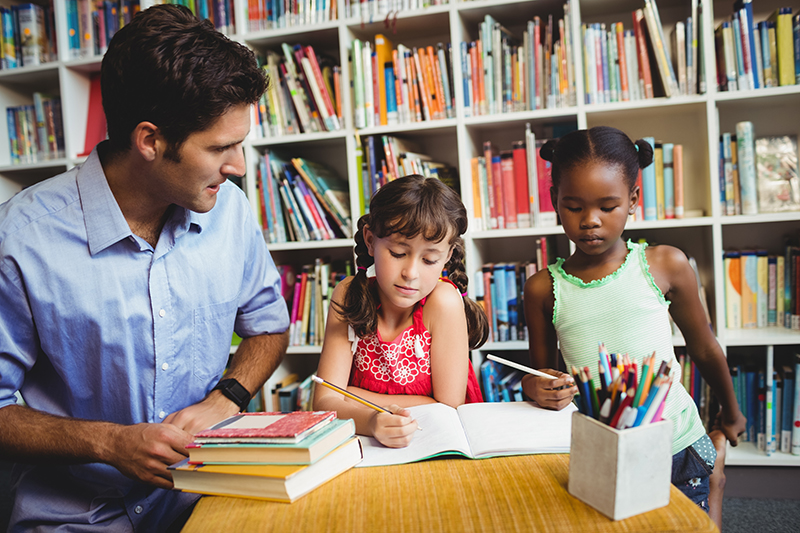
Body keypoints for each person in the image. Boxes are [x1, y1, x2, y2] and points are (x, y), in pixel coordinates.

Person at [0, 5, 289, 532]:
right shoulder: (19, 240)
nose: (240, 167)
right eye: (221, 147)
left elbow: (268, 326)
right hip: (75, 517)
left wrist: (227, 398)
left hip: (210, 501)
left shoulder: (231, 212)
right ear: (150, 141)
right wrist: (110, 443)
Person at [520, 126, 746, 529]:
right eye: (574, 207)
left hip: (677, 440)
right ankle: (716, 477)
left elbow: (705, 348)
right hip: (606, 449)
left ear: (633, 201)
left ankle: (714, 478)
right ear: (555, 202)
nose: (590, 221)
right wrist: (536, 387)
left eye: (608, 206)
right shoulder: (542, 288)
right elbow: (542, 377)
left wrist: (731, 413)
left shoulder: (665, 265)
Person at [313, 175, 488, 447]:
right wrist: (371, 420)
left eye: (429, 259)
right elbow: (323, 402)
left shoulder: (443, 301)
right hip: (364, 444)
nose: (410, 273)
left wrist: (348, 396)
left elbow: (449, 407)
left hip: (434, 443)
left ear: (446, 255)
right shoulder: (348, 294)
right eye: (397, 253)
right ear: (371, 241)